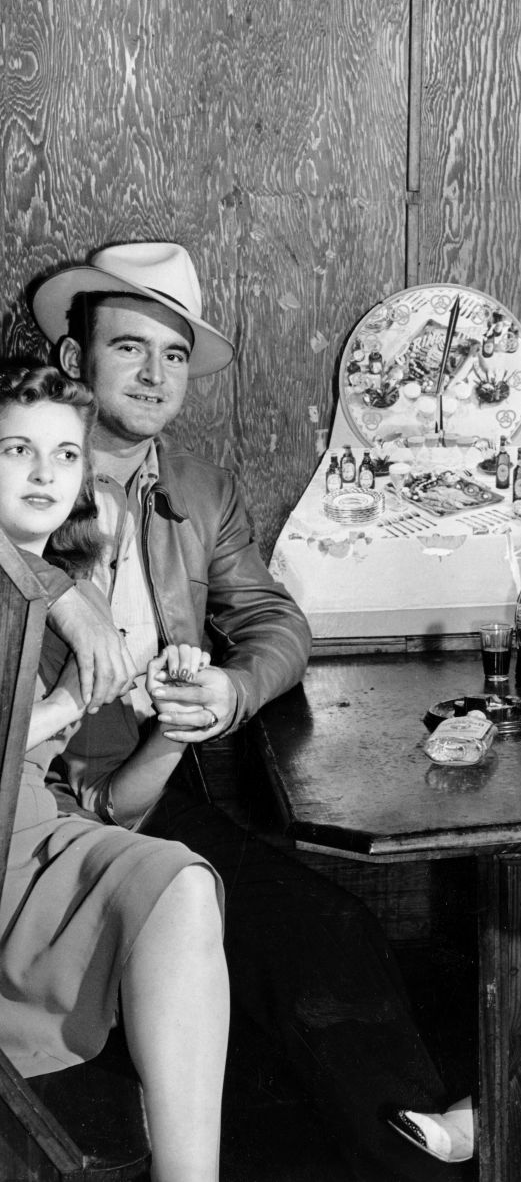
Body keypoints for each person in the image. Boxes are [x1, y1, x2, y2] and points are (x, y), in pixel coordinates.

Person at [29, 241, 464, 1182]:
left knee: (328, 928)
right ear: (74, 363)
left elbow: (272, 618)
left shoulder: (196, 485)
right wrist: (64, 596)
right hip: (36, 807)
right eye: (130, 349)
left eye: (175, 355)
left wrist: (229, 692)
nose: (155, 376)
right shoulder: (20, 467)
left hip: (150, 787)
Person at [0, 363, 227, 1182]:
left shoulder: (62, 585)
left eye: (66, 455)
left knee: (181, 882)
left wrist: (173, 730)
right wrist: (67, 701)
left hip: (39, 841)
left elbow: (108, 811)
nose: (44, 473)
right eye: (17, 448)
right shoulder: (49, 597)